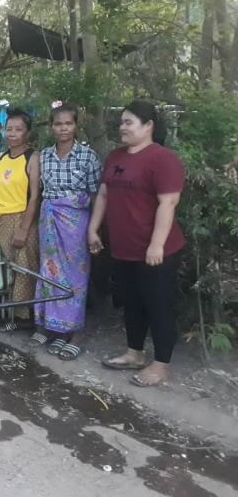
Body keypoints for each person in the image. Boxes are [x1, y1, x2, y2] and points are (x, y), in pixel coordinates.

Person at [88, 101, 185, 387]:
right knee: (131, 303)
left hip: (157, 250)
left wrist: (156, 244)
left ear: (148, 125)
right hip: (124, 247)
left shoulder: (163, 159)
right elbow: (103, 195)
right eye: (121, 122)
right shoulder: (115, 156)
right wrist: (93, 229)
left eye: (128, 122)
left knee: (158, 305)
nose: (122, 127)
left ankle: (162, 364)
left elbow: (168, 203)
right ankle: (134, 353)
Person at [31, 104, 102, 360]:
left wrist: (94, 229)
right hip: (49, 220)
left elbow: (96, 195)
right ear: (51, 127)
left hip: (75, 223)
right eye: (58, 124)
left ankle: (74, 332)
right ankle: (52, 328)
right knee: (49, 271)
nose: (63, 128)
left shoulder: (88, 156)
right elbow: (39, 192)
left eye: (68, 123)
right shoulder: (44, 156)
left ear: (76, 126)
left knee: (75, 275)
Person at [0, 108, 40, 331]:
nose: (13, 134)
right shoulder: (0, 159)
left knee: (24, 269)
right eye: (9, 129)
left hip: (21, 219)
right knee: (4, 269)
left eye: (18, 129)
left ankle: (23, 317)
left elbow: (35, 196)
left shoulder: (32, 157)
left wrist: (24, 229)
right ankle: (7, 314)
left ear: (27, 133)